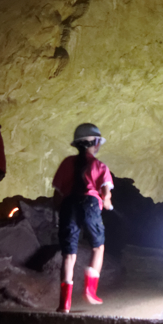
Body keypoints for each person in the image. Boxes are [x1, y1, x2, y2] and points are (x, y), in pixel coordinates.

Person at [52, 123, 114, 313]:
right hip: (90, 205)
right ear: (95, 143)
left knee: (69, 255)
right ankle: (89, 289)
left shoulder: (66, 163)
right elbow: (105, 194)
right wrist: (107, 203)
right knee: (98, 247)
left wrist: (59, 211)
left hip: (69, 205)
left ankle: (64, 304)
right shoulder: (99, 166)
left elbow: (58, 193)